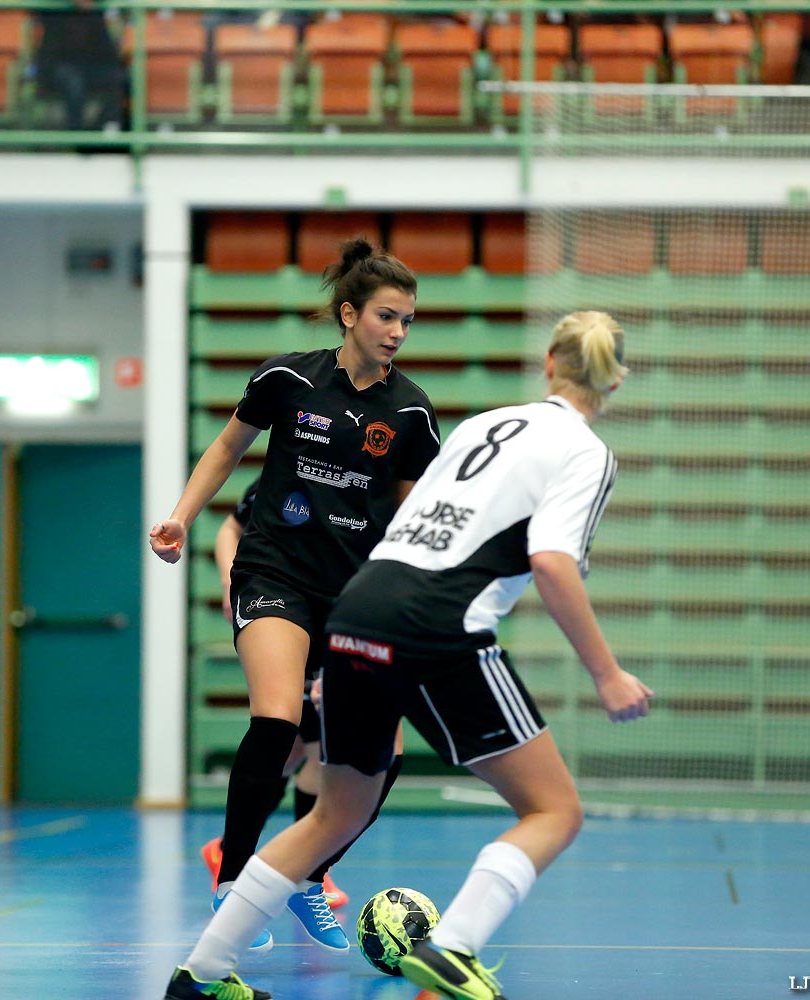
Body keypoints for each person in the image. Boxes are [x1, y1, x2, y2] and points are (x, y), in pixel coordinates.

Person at [162, 310, 654, 1000]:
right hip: (439, 622)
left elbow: (408, 521)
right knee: (554, 812)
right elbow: (551, 560)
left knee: (335, 813)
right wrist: (607, 674)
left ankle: (201, 975)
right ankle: (450, 951)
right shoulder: (585, 453)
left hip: (361, 605)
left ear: (548, 362)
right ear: (617, 379)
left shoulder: (485, 423)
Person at [150, 238, 440, 959]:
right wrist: (182, 516)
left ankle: (311, 875)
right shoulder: (288, 378)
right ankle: (235, 879)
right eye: (386, 316)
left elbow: (412, 517)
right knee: (278, 720)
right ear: (349, 314)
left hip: (354, 596)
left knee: (379, 757)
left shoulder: (411, 413)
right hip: (274, 573)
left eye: (407, 320)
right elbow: (225, 448)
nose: (398, 332)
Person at [201, 478, 354, 911]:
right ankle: (309, 873)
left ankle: (233, 851)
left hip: (333, 615)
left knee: (300, 749)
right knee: (310, 742)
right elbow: (229, 528)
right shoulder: (294, 471)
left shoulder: (369, 487)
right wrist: (233, 582)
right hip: (286, 613)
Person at [33, 0, 126, 132]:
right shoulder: (52, 8)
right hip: (57, 64)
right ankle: (76, 137)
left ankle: (94, 132)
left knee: (122, 78)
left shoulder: (97, 8)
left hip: (92, 63)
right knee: (73, 82)